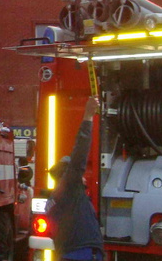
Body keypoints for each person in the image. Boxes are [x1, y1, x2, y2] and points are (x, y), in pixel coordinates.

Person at [46, 96, 104, 260]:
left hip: (68, 254)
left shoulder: (54, 199)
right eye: (80, 174)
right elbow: (79, 153)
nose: (84, 177)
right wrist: (88, 116)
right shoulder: (69, 187)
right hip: (81, 254)